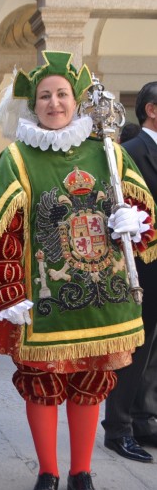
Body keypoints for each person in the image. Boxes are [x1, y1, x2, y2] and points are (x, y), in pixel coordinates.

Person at [0, 52, 155, 490]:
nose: (54, 103)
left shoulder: (109, 151)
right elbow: (0, 227)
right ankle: (48, 471)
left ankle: (81, 472)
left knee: (90, 383)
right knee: (43, 384)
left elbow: (146, 224)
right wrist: (7, 292)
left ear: (76, 101)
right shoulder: (17, 157)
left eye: (62, 95)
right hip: (45, 298)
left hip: (102, 297)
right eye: (46, 96)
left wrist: (136, 222)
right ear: (34, 104)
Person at [103, 81, 157, 462]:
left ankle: (146, 418)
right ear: (152, 109)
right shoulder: (127, 154)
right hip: (143, 268)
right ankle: (118, 428)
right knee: (135, 349)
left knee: (155, 354)